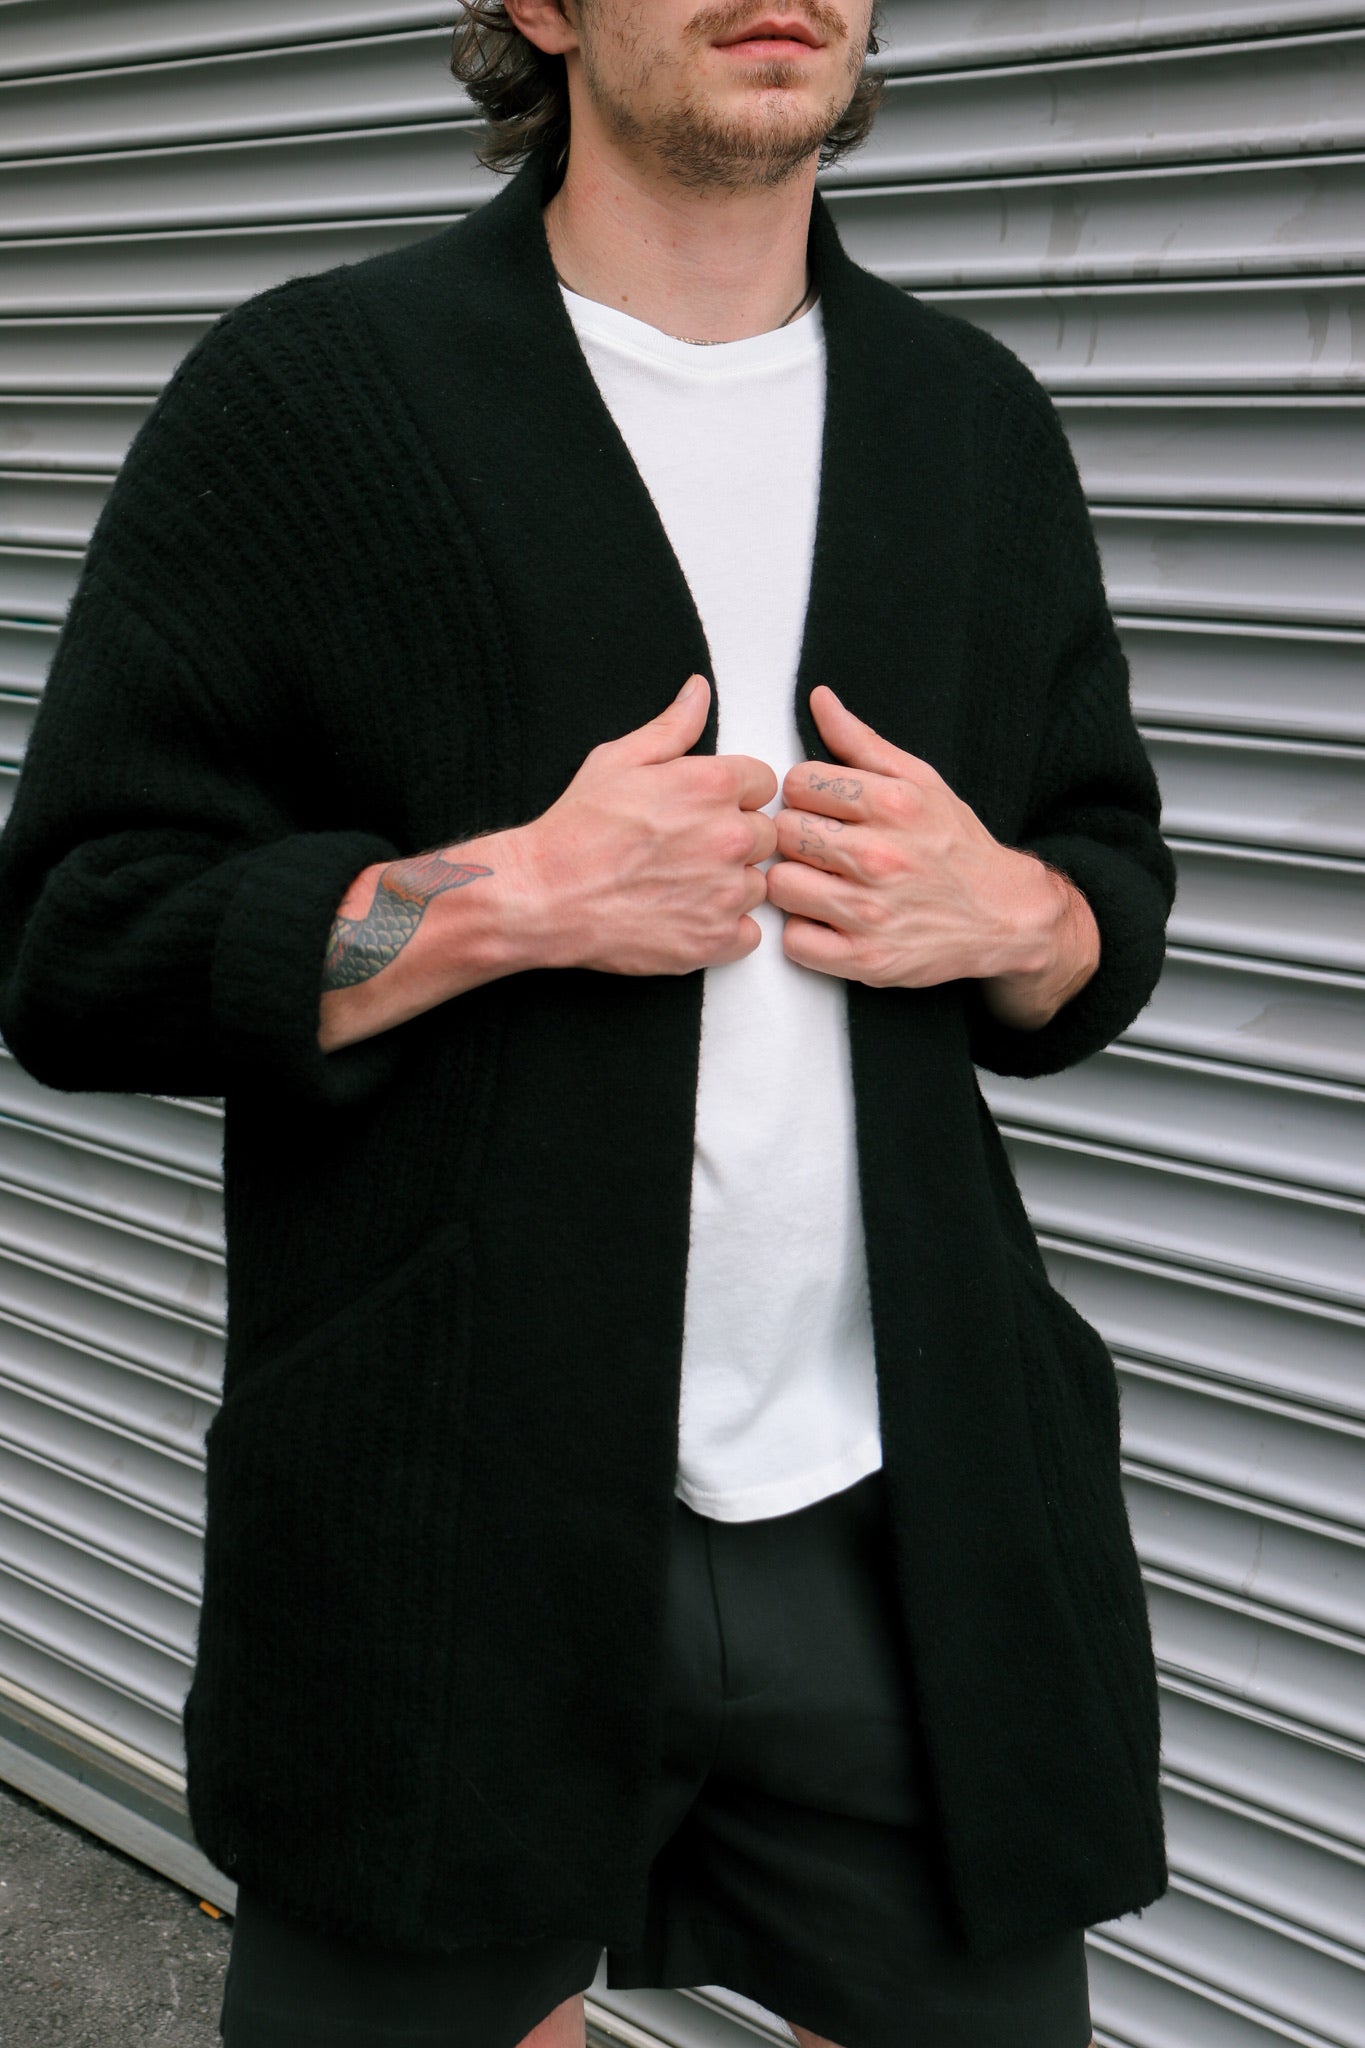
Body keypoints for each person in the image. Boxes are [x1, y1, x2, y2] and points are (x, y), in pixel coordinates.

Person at [0, 2, 1175, 2044]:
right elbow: (75, 945)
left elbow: (1098, 895)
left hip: (904, 1523)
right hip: (442, 1534)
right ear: (535, 8)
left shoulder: (967, 423)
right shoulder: (316, 397)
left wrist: (1018, 911)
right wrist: (505, 902)